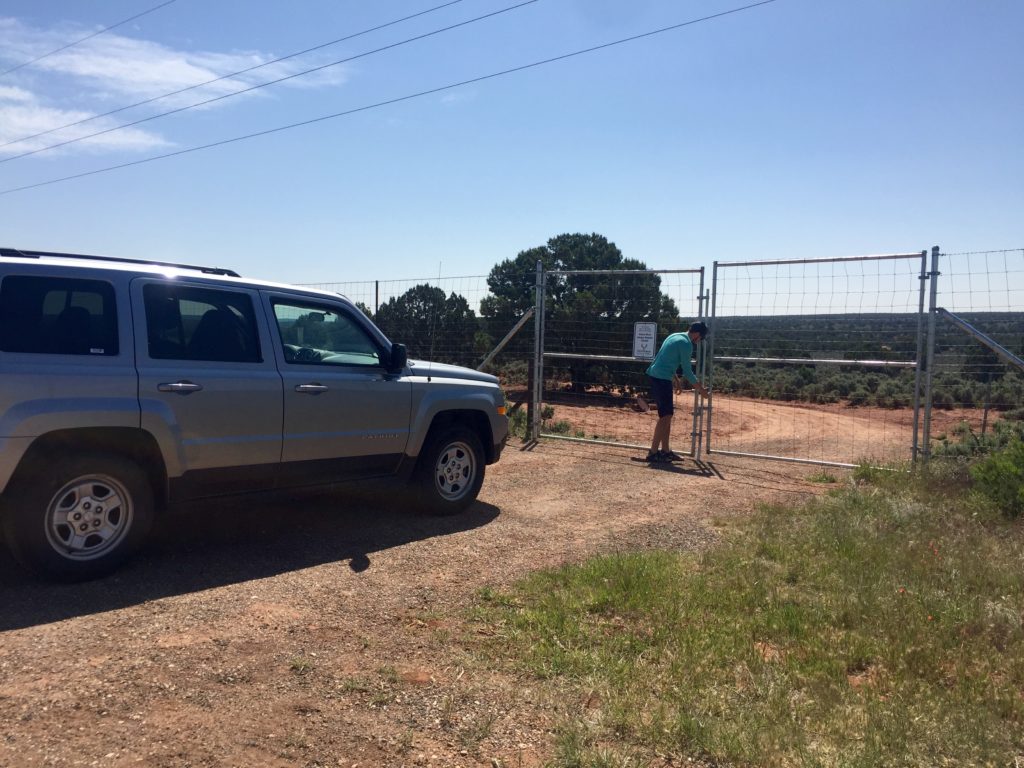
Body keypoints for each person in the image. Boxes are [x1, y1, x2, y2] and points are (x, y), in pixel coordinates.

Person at [644, 321, 709, 462]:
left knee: (666, 415)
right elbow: (687, 371)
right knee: (665, 416)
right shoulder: (686, 344)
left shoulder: (676, 336)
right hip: (661, 378)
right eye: (702, 338)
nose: (700, 341)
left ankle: (665, 451)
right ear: (697, 334)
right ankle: (653, 452)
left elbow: (666, 358)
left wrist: (676, 380)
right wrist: (701, 390)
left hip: (657, 375)